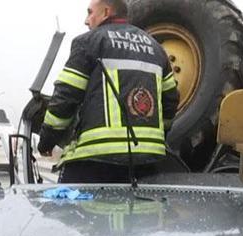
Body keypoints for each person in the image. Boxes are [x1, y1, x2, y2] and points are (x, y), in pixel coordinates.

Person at [38, 0, 180, 183]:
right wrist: (156, 138)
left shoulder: (87, 43)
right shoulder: (156, 48)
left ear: (106, 12)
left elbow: (66, 97)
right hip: (147, 161)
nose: (86, 21)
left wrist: (47, 141)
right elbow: (170, 101)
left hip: (96, 160)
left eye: (90, 13)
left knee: (68, 207)